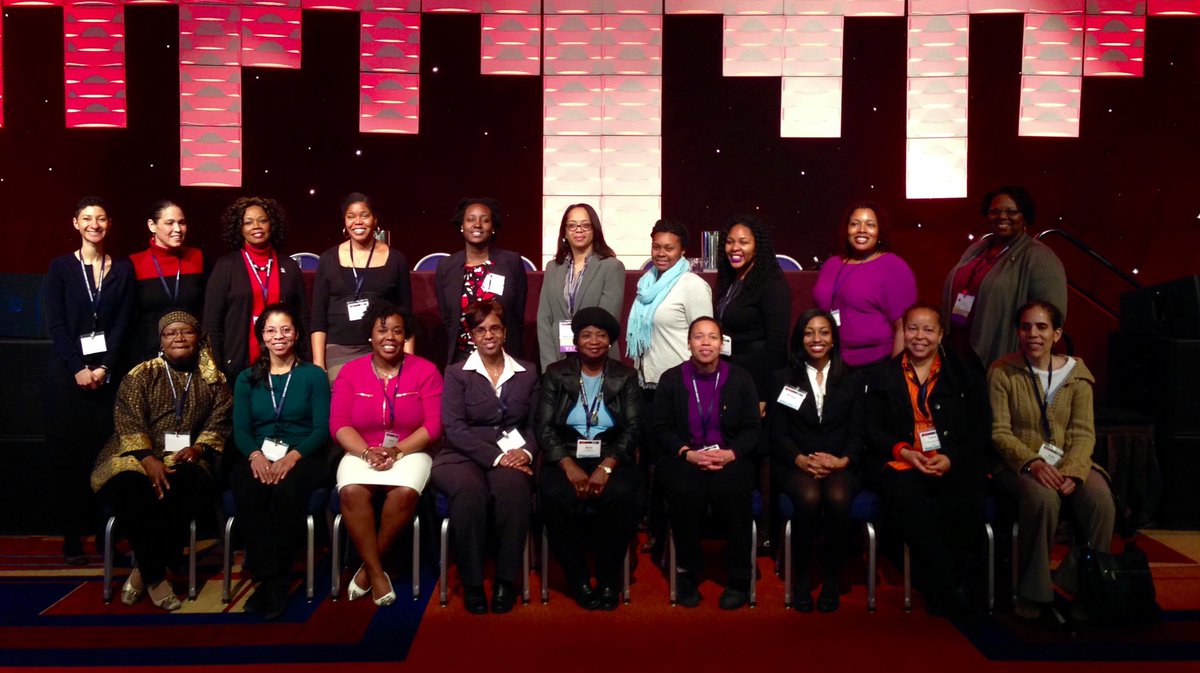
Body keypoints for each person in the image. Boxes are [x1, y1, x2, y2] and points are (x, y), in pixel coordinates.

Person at [90, 311, 232, 610]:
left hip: (187, 455)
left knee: (185, 485)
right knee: (132, 489)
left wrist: (200, 448)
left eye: (186, 332)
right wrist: (147, 460)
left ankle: (142, 570)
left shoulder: (214, 378)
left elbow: (220, 420)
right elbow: (127, 419)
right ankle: (156, 577)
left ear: (198, 338)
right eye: (170, 333)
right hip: (134, 454)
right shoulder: (142, 374)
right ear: (161, 341)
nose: (178, 338)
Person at [988, 300, 1114, 620]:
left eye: (1042, 327)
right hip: (1018, 464)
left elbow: (1084, 434)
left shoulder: (1078, 374)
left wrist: (1073, 470)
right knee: (1043, 497)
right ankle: (1035, 592)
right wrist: (1032, 463)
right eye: (1026, 326)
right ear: (1018, 331)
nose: (1034, 334)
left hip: (1070, 461)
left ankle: (1083, 584)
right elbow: (1000, 433)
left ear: (1056, 333)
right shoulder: (1003, 370)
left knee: (1101, 501)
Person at [865, 303, 990, 618]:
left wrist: (950, 457)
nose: (919, 337)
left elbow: (981, 427)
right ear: (903, 331)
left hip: (951, 459)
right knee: (905, 499)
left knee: (964, 498)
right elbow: (871, 428)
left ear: (941, 334)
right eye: (912, 329)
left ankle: (941, 584)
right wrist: (902, 451)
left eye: (928, 329)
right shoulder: (884, 374)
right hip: (904, 459)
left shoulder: (962, 373)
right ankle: (948, 585)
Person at [331, 302, 443, 607]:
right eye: (382, 330)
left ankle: (369, 571)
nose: (390, 336)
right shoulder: (350, 373)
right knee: (351, 491)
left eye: (397, 330)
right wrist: (367, 452)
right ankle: (378, 573)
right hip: (361, 450)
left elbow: (433, 425)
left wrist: (397, 449)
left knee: (405, 493)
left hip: (409, 451)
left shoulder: (425, 370)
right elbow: (339, 424)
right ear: (370, 335)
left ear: (406, 335)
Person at [431, 300, 540, 614]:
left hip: (512, 454)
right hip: (460, 455)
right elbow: (453, 427)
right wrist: (496, 457)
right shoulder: (456, 373)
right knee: (468, 492)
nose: (488, 335)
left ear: (504, 332)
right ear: (472, 336)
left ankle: (506, 580)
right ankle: (473, 581)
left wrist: (526, 452)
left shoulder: (527, 371)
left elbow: (535, 426)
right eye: (481, 330)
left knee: (515, 489)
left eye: (494, 328)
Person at [42, 196, 134, 564]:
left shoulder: (122, 268)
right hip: (68, 378)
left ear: (108, 223)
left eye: (100, 218)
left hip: (108, 378)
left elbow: (124, 323)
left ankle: (105, 535)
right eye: (87, 218)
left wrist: (105, 368)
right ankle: (71, 538)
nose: (94, 224)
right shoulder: (61, 267)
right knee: (69, 461)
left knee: (107, 458)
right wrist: (79, 368)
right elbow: (57, 325)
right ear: (76, 224)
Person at [230, 303, 331, 620]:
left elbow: (321, 428)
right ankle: (269, 578)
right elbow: (241, 429)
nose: (279, 336)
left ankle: (276, 580)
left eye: (285, 329)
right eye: (271, 330)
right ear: (261, 336)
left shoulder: (312, 375)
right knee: (248, 491)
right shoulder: (247, 378)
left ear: (297, 333)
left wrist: (294, 457)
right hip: (259, 454)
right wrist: (255, 455)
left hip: (304, 454)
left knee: (288, 493)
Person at [653, 317, 761, 610]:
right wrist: (687, 452)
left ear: (721, 343)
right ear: (688, 343)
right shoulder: (671, 379)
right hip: (685, 456)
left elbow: (753, 428)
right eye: (698, 337)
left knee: (732, 490)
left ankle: (739, 577)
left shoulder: (740, 378)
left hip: (729, 456)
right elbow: (661, 428)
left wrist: (730, 454)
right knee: (686, 490)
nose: (705, 343)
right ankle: (687, 571)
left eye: (712, 337)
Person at [537, 307, 641, 611]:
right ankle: (578, 578)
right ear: (576, 341)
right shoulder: (556, 373)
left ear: (610, 342)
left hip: (612, 453)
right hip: (566, 453)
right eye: (586, 334)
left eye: (601, 335)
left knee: (620, 494)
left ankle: (609, 579)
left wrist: (607, 466)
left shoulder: (626, 375)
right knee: (555, 495)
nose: (594, 340)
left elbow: (633, 428)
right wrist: (568, 467)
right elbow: (543, 427)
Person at [768, 309, 865, 612]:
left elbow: (859, 431)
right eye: (809, 332)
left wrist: (842, 461)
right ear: (800, 339)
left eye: (823, 332)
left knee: (837, 497)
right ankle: (802, 576)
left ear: (834, 339)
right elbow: (778, 433)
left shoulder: (851, 378)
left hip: (840, 463)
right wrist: (800, 460)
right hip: (796, 462)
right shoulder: (782, 378)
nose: (816, 339)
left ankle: (833, 575)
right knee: (808, 497)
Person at [942, 186, 1067, 371]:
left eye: (1011, 211)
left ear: (1025, 216)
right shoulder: (978, 248)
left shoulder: (1040, 257)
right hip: (958, 351)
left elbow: (1051, 317)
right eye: (995, 211)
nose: (1002, 216)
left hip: (1002, 359)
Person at [204, 196, 309, 384]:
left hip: (286, 362)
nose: (256, 226)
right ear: (239, 228)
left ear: (272, 224)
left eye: (263, 220)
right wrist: (217, 366)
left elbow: (302, 316)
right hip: (238, 364)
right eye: (248, 222)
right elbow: (212, 322)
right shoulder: (226, 266)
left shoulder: (289, 265)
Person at [311, 193, 413, 381]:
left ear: (374, 220)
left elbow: (406, 314)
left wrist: (409, 360)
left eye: (364, 215)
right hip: (340, 347)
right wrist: (319, 363)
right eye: (351, 216)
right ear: (345, 221)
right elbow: (318, 315)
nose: (358, 222)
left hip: (384, 346)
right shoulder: (327, 259)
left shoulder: (396, 259)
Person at [813, 201, 916, 370]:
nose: (861, 229)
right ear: (847, 230)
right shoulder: (832, 264)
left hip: (875, 364)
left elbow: (904, 328)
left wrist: (896, 376)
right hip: (831, 361)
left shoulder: (893, 266)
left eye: (870, 225)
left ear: (879, 232)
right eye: (854, 224)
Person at [435, 198, 528, 365]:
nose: (477, 224)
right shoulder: (446, 266)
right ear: (462, 226)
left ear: (492, 227)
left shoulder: (511, 262)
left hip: (504, 356)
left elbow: (517, 316)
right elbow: (448, 317)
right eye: (471, 219)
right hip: (461, 357)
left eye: (484, 220)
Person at [536, 203, 626, 371]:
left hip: (598, 363)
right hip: (559, 360)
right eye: (572, 225)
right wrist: (550, 368)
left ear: (595, 230)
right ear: (564, 232)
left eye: (585, 225)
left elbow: (607, 322)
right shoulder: (553, 268)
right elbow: (544, 320)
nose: (578, 230)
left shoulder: (611, 267)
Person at [715, 213, 791, 406]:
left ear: (757, 247)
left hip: (756, 378)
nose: (735, 248)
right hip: (729, 372)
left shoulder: (772, 283)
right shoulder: (730, 280)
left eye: (743, 242)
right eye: (730, 242)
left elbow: (777, 344)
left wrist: (764, 393)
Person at [127, 200, 205, 363]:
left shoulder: (198, 258)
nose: (177, 229)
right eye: (170, 223)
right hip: (149, 357)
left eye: (181, 223)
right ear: (152, 225)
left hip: (193, 355)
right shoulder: (134, 263)